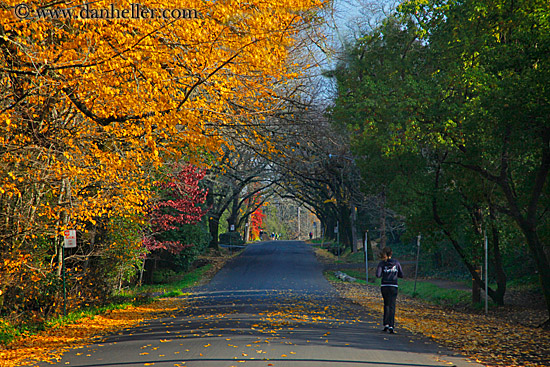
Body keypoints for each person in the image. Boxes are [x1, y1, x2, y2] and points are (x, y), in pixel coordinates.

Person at [376, 247, 404, 334]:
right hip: (393, 286)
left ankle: (386, 324)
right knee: (392, 305)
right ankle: (391, 325)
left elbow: (378, 275)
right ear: (391, 254)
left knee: (386, 304)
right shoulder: (396, 263)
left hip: (384, 286)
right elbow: (401, 274)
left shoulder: (382, 263)